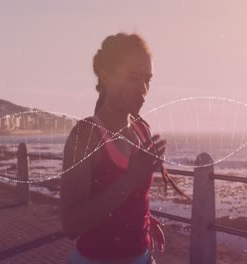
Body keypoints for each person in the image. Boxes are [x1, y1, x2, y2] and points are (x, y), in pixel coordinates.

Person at [60, 32, 167, 264]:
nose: (143, 88)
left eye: (148, 79)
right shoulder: (86, 135)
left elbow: (130, 198)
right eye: (133, 77)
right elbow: (71, 224)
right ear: (105, 76)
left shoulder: (142, 130)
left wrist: (145, 218)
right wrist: (130, 179)